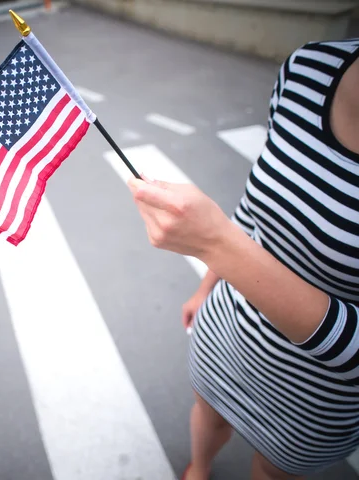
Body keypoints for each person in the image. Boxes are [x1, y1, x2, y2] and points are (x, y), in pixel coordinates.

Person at [127, 38, 359, 480]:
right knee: (207, 415)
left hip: (315, 401)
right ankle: (200, 468)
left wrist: (215, 244)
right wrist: (205, 285)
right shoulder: (311, 69)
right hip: (225, 334)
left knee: (271, 471)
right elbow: (256, 209)